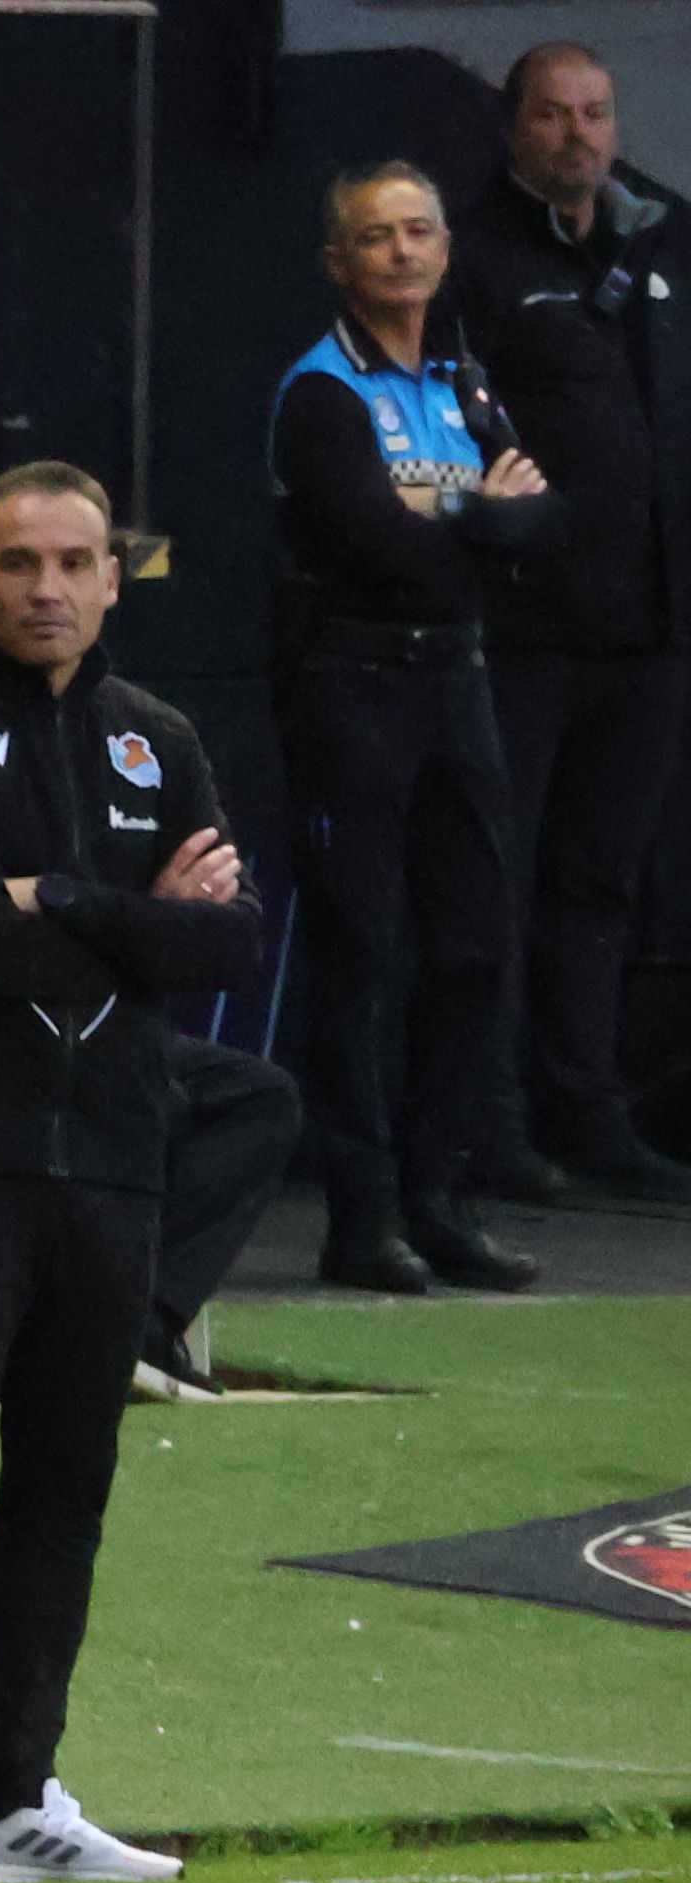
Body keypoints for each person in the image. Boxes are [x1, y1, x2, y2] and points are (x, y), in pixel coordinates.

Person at [0, 462, 265, 1883]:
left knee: (68, 1477)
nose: (46, 588)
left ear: (109, 577)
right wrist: (133, 924)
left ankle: (21, 1792)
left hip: (112, 1159)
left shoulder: (159, 739)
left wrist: (74, 906)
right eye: (18, 562)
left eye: (74, 562)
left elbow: (228, 945)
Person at [272, 163, 559, 1293]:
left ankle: (445, 1202)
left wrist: (471, 526)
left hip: (460, 687)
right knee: (362, 951)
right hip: (354, 686)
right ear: (340, 262)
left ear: (446, 248)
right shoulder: (320, 393)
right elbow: (379, 550)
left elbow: (552, 522)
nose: (401, 252)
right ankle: (365, 1215)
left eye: (419, 231)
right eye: (376, 237)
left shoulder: (466, 379)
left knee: (476, 945)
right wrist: (481, 521)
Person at [459, 42, 691, 1204]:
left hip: (651, 624)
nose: (579, 136)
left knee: (602, 879)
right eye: (554, 116)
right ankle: (486, 1118)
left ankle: (587, 1107)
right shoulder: (474, 257)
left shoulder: (661, 243)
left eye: (596, 114)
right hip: (525, 624)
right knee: (499, 876)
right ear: (516, 128)